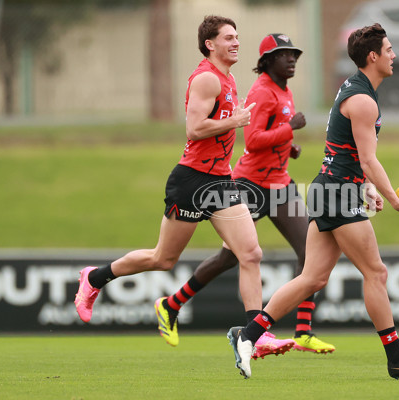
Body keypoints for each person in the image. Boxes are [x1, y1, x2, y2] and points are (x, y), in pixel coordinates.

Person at [227, 23, 399, 380]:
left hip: (330, 189)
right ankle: (397, 357)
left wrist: (365, 187)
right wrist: (394, 199)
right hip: (338, 194)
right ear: (372, 57)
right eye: (389, 50)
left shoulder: (355, 90)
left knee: (312, 278)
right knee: (376, 272)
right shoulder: (363, 100)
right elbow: (368, 159)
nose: (394, 56)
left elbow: (349, 153)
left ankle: (247, 336)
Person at [74, 16, 264, 328]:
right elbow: (194, 129)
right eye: (228, 38)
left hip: (220, 181)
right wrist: (234, 121)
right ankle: (94, 277)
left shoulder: (227, 79)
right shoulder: (207, 79)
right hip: (192, 180)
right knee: (163, 259)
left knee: (251, 254)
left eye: (236, 36)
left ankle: (255, 334)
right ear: (210, 44)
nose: (236, 42)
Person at [153, 34, 335, 358]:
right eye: (284, 55)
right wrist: (289, 129)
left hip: (279, 184)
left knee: (310, 250)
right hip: (250, 183)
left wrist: (286, 145)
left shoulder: (284, 90)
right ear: (267, 61)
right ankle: (172, 304)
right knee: (230, 257)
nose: (292, 59)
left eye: (294, 54)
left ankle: (304, 331)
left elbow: (270, 133)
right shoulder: (262, 90)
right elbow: (252, 140)